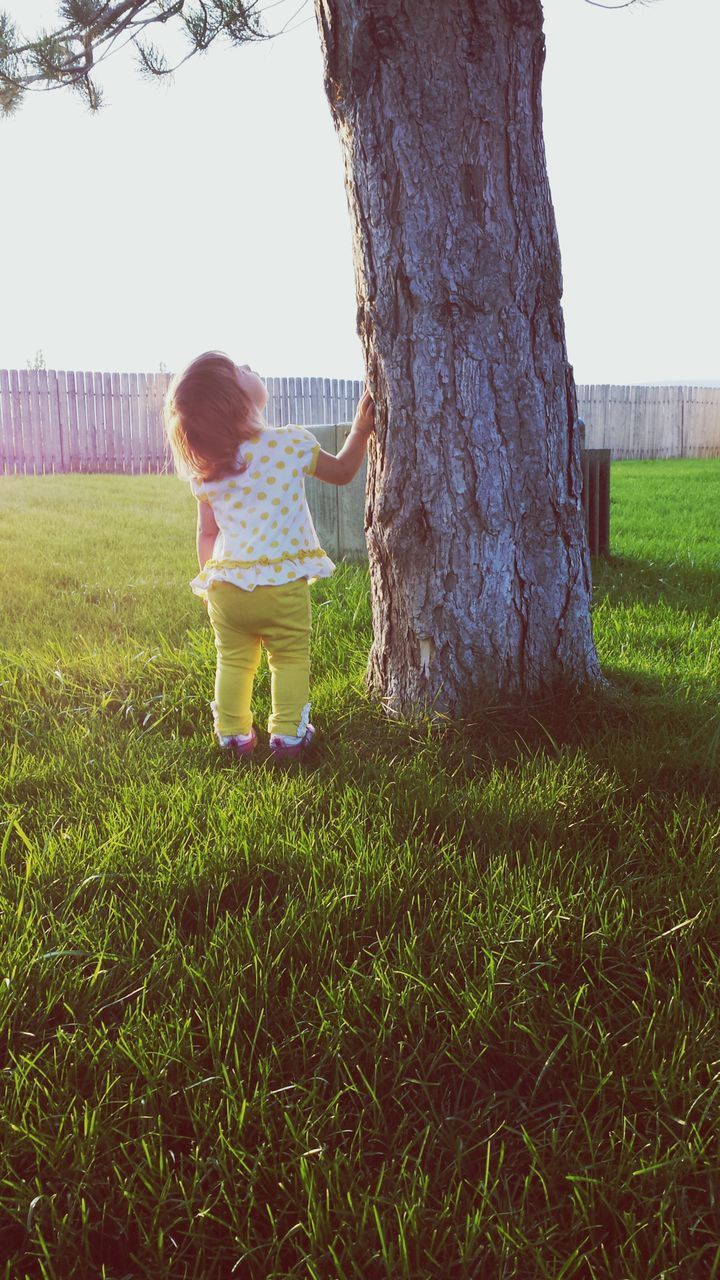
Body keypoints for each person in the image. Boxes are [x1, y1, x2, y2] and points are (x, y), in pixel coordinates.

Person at [164, 351, 375, 761]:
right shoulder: (290, 443)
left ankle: (233, 735)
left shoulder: (209, 470)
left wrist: (207, 581)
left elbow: (207, 533)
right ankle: (289, 737)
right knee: (290, 657)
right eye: (239, 370)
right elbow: (344, 471)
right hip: (281, 587)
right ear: (235, 401)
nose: (247, 366)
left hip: (226, 589)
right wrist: (361, 428)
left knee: (235, 661)